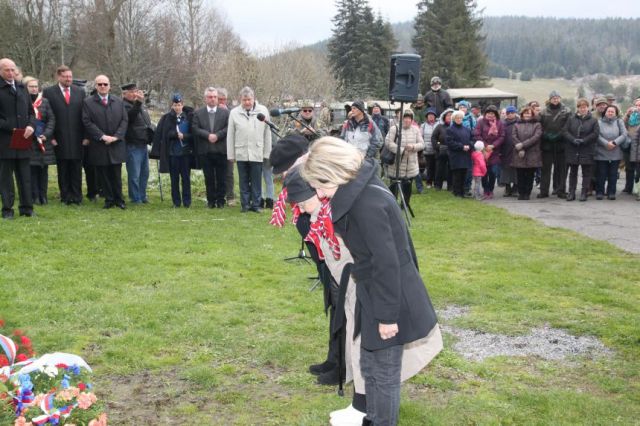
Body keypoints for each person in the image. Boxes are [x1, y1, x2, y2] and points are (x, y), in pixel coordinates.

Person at [282, 165, 442, 426]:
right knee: (371, 364)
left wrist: (387, 316)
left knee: (384, 372)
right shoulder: (353, 200)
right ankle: (368, 413)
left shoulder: (365, 203)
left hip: (383, 297)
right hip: (371, 292)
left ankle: (372, 415)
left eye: (319, 188)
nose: (320, 194)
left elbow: (386, 262)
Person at [82, 75, 128, 209]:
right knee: (103, 174)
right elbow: (87, 122)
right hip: (99, 144)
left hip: (116, 144)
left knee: (116, 174)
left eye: (105, 84)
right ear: (96, 86)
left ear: (109, 86)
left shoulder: (118, 101)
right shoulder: (88, 102)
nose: (103, 86)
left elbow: (124, 120)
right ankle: (109, 200)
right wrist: (102, 136)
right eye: (100, 84)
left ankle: (119, 200)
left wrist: (116, 137)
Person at [42, 65, 86, 205]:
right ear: (58, 77)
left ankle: (77, 196)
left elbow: (84, 116)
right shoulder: (49, 92)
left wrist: (85, 136)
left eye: (70, 76)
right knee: (63, 168)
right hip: (59, 138)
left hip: (77, 138)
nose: (68, 79)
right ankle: (65, 196)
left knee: (76, 168)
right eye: (66, 76)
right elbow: (46, 116)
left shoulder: (79, 92)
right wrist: (51, 137)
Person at [0, 58, 36, 219]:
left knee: (25, 176)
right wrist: (10, 127)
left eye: (12, 69)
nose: (10, 73)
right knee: (6, 179)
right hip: (5, 142)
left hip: (23, 139)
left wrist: (31, 125)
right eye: (7, 70)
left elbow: (31, 112)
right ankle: (7, 210)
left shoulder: (22, 88)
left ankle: (27, 208)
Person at [227, 86, 271, 213]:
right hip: (241, 152)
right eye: (244, 100)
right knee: (243, 180)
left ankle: (256, 205)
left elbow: (267, 133)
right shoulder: (234, 113)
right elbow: (230, 135)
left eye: (249, 99)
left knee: (256, 180)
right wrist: (231, 154)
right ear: (240, 100)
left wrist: (267, 152)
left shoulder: (263, 111)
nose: (247, 102)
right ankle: (245, 205)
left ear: (254, 99)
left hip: (257, 151)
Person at [150, 93, 194, 208]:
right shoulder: (166, 118)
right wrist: (175, 134)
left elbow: (193, 135)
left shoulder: (188, 118)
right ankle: (176, 202)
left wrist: (184, 136)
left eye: (179, 105)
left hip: (185, 154)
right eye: (175, 105)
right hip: (173, 154)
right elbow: (163, 134)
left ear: (182, 105)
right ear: (172, 106)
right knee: (174, 179)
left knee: (186, 178)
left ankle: (187, 201)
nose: (177, 107)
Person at [192, 87, 230, 209]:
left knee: (221, 178)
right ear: (205, 98)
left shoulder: (225, 113)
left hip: (221, 150)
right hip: (205, 151)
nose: (213, 99)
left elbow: (229, 128)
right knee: (208, 177)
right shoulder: (198, 113)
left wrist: (217, 135)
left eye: (214, 97)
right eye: (210, 97)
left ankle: (220, 201)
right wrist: (208, 135)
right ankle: (210, 201)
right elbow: (195, 128)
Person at [24, 77, 56, 205]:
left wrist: (46, 134)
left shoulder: (45, 101)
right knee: (32, 170)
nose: (34, 88)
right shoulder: (22, 101)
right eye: (31, 86)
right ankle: (34, 196)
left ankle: (43, 196)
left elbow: (51, 119)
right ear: (26, 88)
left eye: (36, 86)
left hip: (43, 141)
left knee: (43, 169)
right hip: (29, 141)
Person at [384, 110, 425, 208]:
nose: (407, 120)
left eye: (409, 118)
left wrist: (413, 147)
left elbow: (422, 144)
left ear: (412, 119)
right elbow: (388, 143)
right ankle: (392, 207)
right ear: (401, 118)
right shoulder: (394, 128)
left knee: (407, 187)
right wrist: (402, 150)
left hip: (411, 165)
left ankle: (405, 205)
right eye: (405, 118)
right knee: (394, 187)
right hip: (396, 164)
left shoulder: (416, 129)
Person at [562, 98, 599, 202]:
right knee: (572, 172)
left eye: (585, 107)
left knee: (586, 173)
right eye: (581, 107)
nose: (583, 109)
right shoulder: (571, 119)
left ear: (588, 108)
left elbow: (595, 134)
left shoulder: (593, 120)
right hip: (573, 148)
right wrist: (573, 140)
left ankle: (584, 193)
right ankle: (571, 192)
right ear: (577, 108)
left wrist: (584, 140)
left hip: (587, 149)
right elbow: (565, 131)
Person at [121, 83, 153, 204]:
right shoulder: (124, 105)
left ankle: (142, 195)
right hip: (132, 144)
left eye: (136, 91)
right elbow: (130, 118)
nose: (135, 94)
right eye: (132, 91)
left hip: (143, 144)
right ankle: (135, 198)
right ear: (125, 93)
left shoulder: (139, 105)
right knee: (135, 174)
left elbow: (146, 122)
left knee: (145, 173)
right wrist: (139, 103)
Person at [538, 90, 571, 198]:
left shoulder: (567, 111)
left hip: (561, 143)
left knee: (562, 169)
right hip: (547, 144)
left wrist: (560, 135)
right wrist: (545, 135)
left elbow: (568, 125)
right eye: (553, 98)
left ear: (560, 98)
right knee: (545, 169)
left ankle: (560, 191)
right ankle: (544, 191)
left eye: (557, 97)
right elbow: (539, 126)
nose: (555, 99)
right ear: (550, 99)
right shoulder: (543, 112)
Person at [595, 105, 627, 200]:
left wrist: (614, 142)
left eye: (612, 112)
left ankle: (611, 192)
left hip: (615, 151)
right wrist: (606, 143)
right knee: (601, 174)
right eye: (608, 111)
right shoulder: (599, 122)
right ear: (605, 112)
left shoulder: (619, 121)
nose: (610, 113)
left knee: (613, 174)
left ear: (616, 113)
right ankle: (599, 192)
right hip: (602, 151)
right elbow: (596, 135)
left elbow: (624, 134)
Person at [511, 106, 543, 200]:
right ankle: (521, 193)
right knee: (520, 175)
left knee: (530, 175)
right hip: (519, 152)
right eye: (525, 113)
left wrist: (523, 145)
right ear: (522, 114)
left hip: (532, 153)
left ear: (532, 114)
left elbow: (536, 137)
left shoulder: (537, 124)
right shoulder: (516, 124)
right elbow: (514, 136)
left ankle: (527, 193)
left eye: (529, 113)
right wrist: (519, 147)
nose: (527, 115)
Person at [473, 105, 505, 199]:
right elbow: (476, 134)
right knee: (484, 172)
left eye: (493, 113)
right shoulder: (480, 122)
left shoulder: (499, 123)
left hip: (494, 151)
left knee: (493, 172)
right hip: (483, 150)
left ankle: (490, 190)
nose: (490, 115)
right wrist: (485, 145)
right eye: (489, 113)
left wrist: (493, 145)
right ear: (485, 113)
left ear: (496, 114)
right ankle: (485, 190)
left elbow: (502, 136)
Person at [446, 110, 473, 197]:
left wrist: (469, 146)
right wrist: (461, 147)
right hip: (456, 155)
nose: (459, 119)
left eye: (461, 118)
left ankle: (462, 192)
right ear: (454, 119)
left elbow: (472, 139)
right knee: (457, 174)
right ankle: (456, 192)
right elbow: (450, 142)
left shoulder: (467, 129)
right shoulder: (450, 130)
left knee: (464, 174)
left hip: (466, 155)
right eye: (457, 118)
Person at [217, 87, 236, 206]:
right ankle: (218, 196)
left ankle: (230, 197)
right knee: (217, 173)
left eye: (224, 100)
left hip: (228, 147)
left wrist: (227, 112)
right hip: (215, 146)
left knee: (229, 173)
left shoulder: (231, 112)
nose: (222, 102)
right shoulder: (211, 112)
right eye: (220, 99)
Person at [432, 108, 454, 191]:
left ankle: (450, 186)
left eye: (451, 115)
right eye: (448, 115)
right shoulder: (439, 126)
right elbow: (433, 138)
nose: (450, 117)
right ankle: (438, 185)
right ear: (444, 117)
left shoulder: (455, 127)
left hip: (452, 151)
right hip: (441, 151)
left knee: (451, 169)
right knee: (439, 169)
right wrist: (438, 147)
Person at [500, 105, 519, 197]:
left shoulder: (519, 123)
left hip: (516, 149)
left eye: (512, 112)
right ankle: (507, 188)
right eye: (508, 113)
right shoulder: (502, 124)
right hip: (505, 150)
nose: (510, 114)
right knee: (506, 170)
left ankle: (515, 188)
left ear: (515, 113)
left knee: (516, 170)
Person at [622, 98, 640, 195]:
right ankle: (628, 187)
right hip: (629, 144)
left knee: (639, 170)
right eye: (636, 105)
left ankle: (637, 189)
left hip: (638, 147)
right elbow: (622, 125)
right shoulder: (631, 116)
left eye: (639, 105)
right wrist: (627, 114)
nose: (637, 107)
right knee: (629, 168)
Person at [419, 108, 438, 189]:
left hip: (437, 149)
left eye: (432, 115)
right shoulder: (423, 126)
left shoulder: (439, 124)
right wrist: (423, 147)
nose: (431, 117)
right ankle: (429, 182)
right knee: (429, 167)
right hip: (427, 150)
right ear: (427, 117)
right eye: (429, 115)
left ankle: (436, 182)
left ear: (435, 116)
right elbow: (420, 137)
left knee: (437, 167)